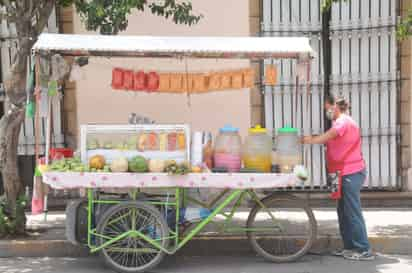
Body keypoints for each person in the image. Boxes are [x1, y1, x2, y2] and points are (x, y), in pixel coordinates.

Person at [302, 96, 375, 261]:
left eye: (327, 108)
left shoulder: (343, 121)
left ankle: (363, 249)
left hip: (350, 172)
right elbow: (331, 138)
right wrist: (315, 138)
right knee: (342, 211)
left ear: (335, 106)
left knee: (352, 211)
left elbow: (328, 136)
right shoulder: (339, 122)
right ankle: (349, 247)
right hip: (339, 173)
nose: (326, 111)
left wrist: (310, 140)